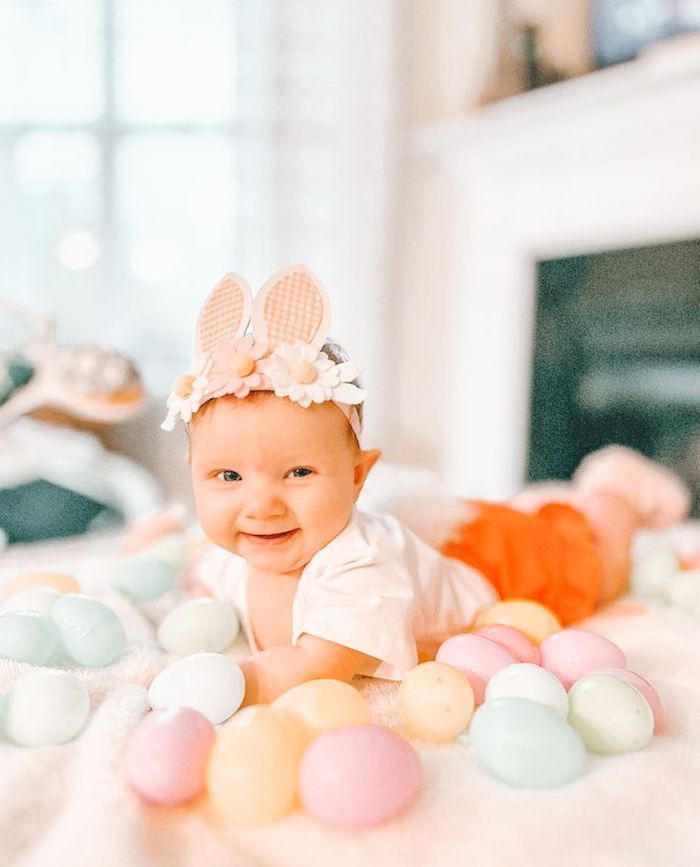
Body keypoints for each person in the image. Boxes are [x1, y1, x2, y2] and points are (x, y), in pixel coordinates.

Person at [161, 266, 690, 706]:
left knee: (597, 575)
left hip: (491, 568)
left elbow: (312, 668)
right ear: (194, 476)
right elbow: (210, 574)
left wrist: (229, 686)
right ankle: (541, 507)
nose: (261, 505)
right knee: (514, 518)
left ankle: (612, 493)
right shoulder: (241, 549)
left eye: (298, 473)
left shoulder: (358, 569)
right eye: (227, 476)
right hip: (440, 545)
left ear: (357, 477)